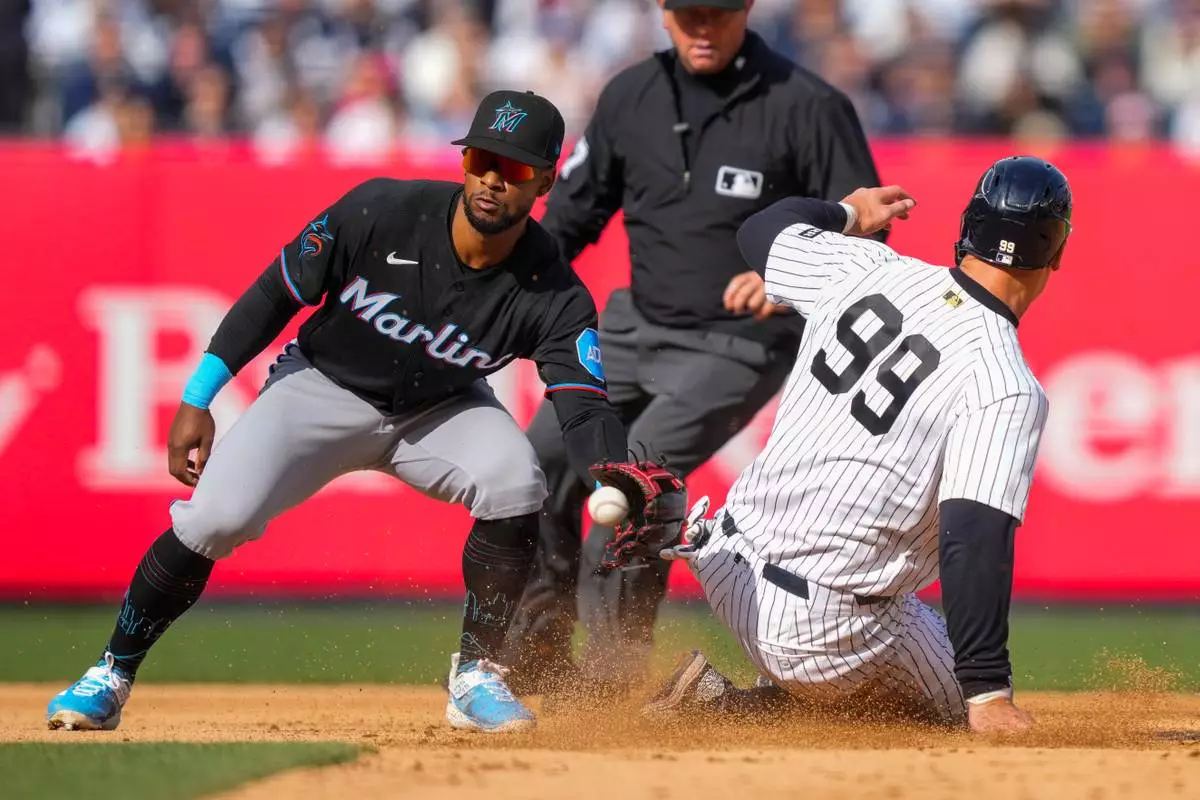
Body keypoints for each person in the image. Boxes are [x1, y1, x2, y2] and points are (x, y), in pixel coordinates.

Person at [44, 90, 667, 735]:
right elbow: (274, 295)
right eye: (481, 158)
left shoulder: (555, 293)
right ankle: (110, 672)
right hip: (324, 386)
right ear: (463, 162)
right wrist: (198, 395)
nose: (491, 179)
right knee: (213, 519)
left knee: (516, 480)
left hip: (441, 407)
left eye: (512, 168)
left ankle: (476, 674)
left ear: (543, 181)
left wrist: (612, 472)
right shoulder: (382, 211)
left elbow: (583, 406)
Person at [502, 0, 886, 693]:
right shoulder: (630, 94)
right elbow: (571, 217)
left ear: (746, 8)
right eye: (688, 14)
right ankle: (536, 655)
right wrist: (502, 292)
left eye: (717, 12)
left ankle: (611, 686)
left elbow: (868, 224)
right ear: (663, 12)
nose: (702, 28)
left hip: (739, 343)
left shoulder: (807, 105)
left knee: (634, 479)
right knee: (538, 461)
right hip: (632, 328)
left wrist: (787, 276)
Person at [643, 155, 1072, 733]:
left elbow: (760, 231)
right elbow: (972, 540)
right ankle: (725, 710)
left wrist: (848, 213)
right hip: (820, 631)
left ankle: (727, 697)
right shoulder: (1006, 383)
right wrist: (987, 690)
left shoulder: (868, 267)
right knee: (943, 716)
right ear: (1056, 253)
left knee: (888, 624)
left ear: (968, 227)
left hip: (724, 560)